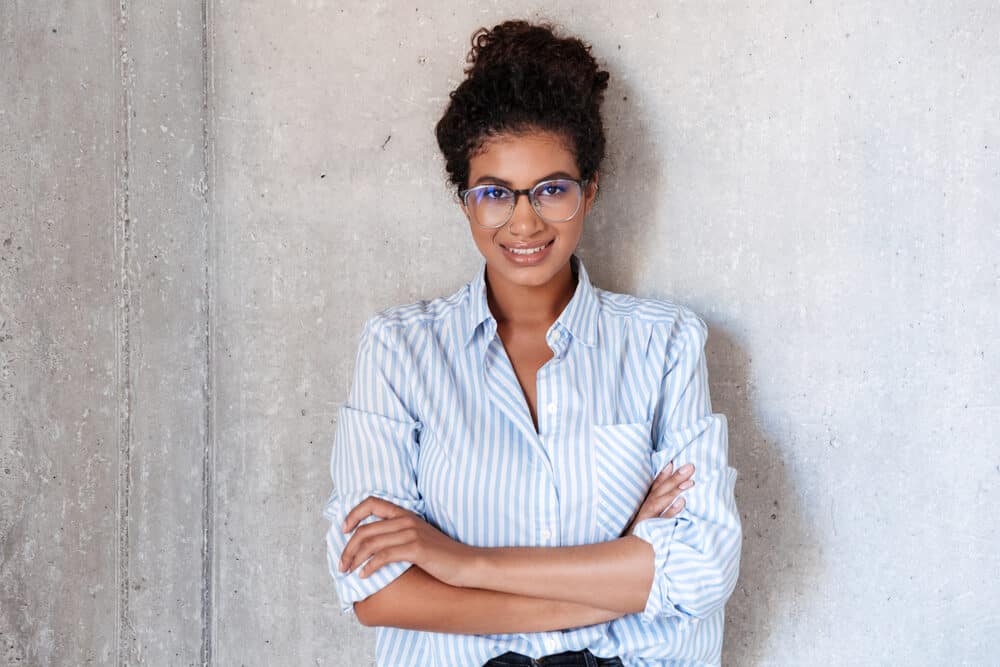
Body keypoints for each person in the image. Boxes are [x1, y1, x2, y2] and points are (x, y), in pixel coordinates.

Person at [322, 19, 741, 667]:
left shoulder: (664, 346)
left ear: (589, 190)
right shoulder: (399, 353)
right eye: (495, 193)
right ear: (465, 201)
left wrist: (462, 563)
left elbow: (699, 570)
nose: (524, 220)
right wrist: (621, 568)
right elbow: (375, 587)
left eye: (551, 189)